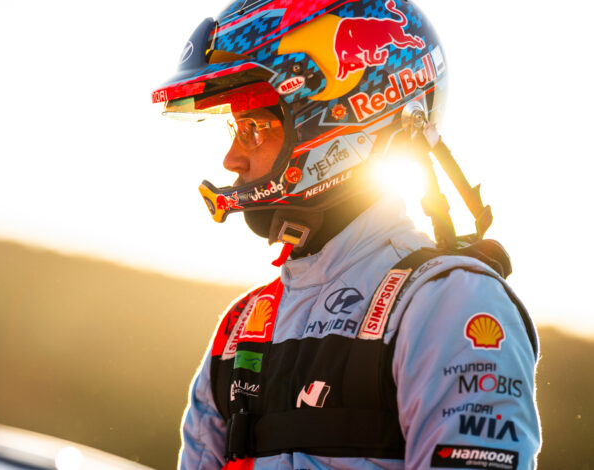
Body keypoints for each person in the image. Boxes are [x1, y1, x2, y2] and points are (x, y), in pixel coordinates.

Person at [151, 0, 541, 469]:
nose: (231, 159)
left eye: (254, 127)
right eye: (235, 127)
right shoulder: (243, 328)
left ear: (343, 117)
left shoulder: (451, 303)